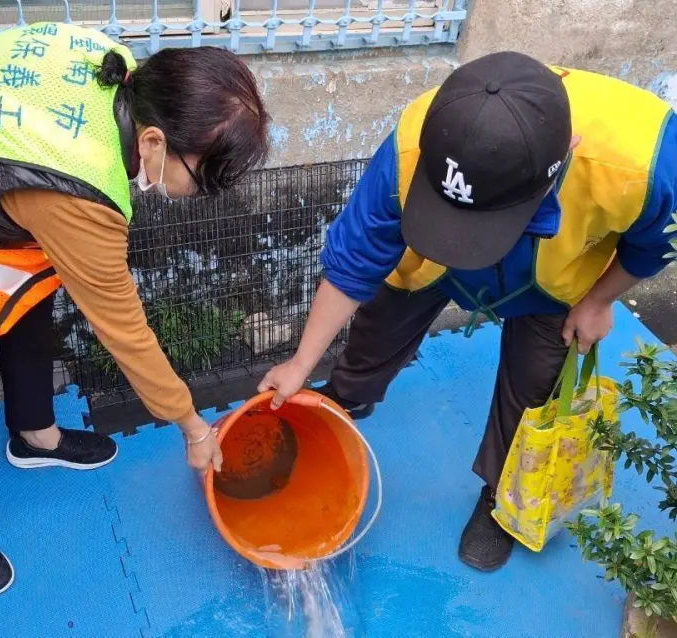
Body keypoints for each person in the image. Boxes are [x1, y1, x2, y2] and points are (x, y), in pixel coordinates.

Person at [0, 23, 269, 594]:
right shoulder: (78, 197)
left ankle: (33, 436)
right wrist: (191, 425)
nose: (203, 194)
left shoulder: (108, 61)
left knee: (34, 303)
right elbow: (123, 328)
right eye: (203, 180)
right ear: (155, 143)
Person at [259, 52, 676, 572]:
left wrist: (599, 299)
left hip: (556, 280)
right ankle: (346, 400)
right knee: (375, 331)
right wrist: (300, 364)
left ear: (565, 156)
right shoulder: (416, 140)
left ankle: (498, 500)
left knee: (533, 389)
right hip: (428, 261)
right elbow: (354, 261)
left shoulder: (645, 159)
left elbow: (654, 242)